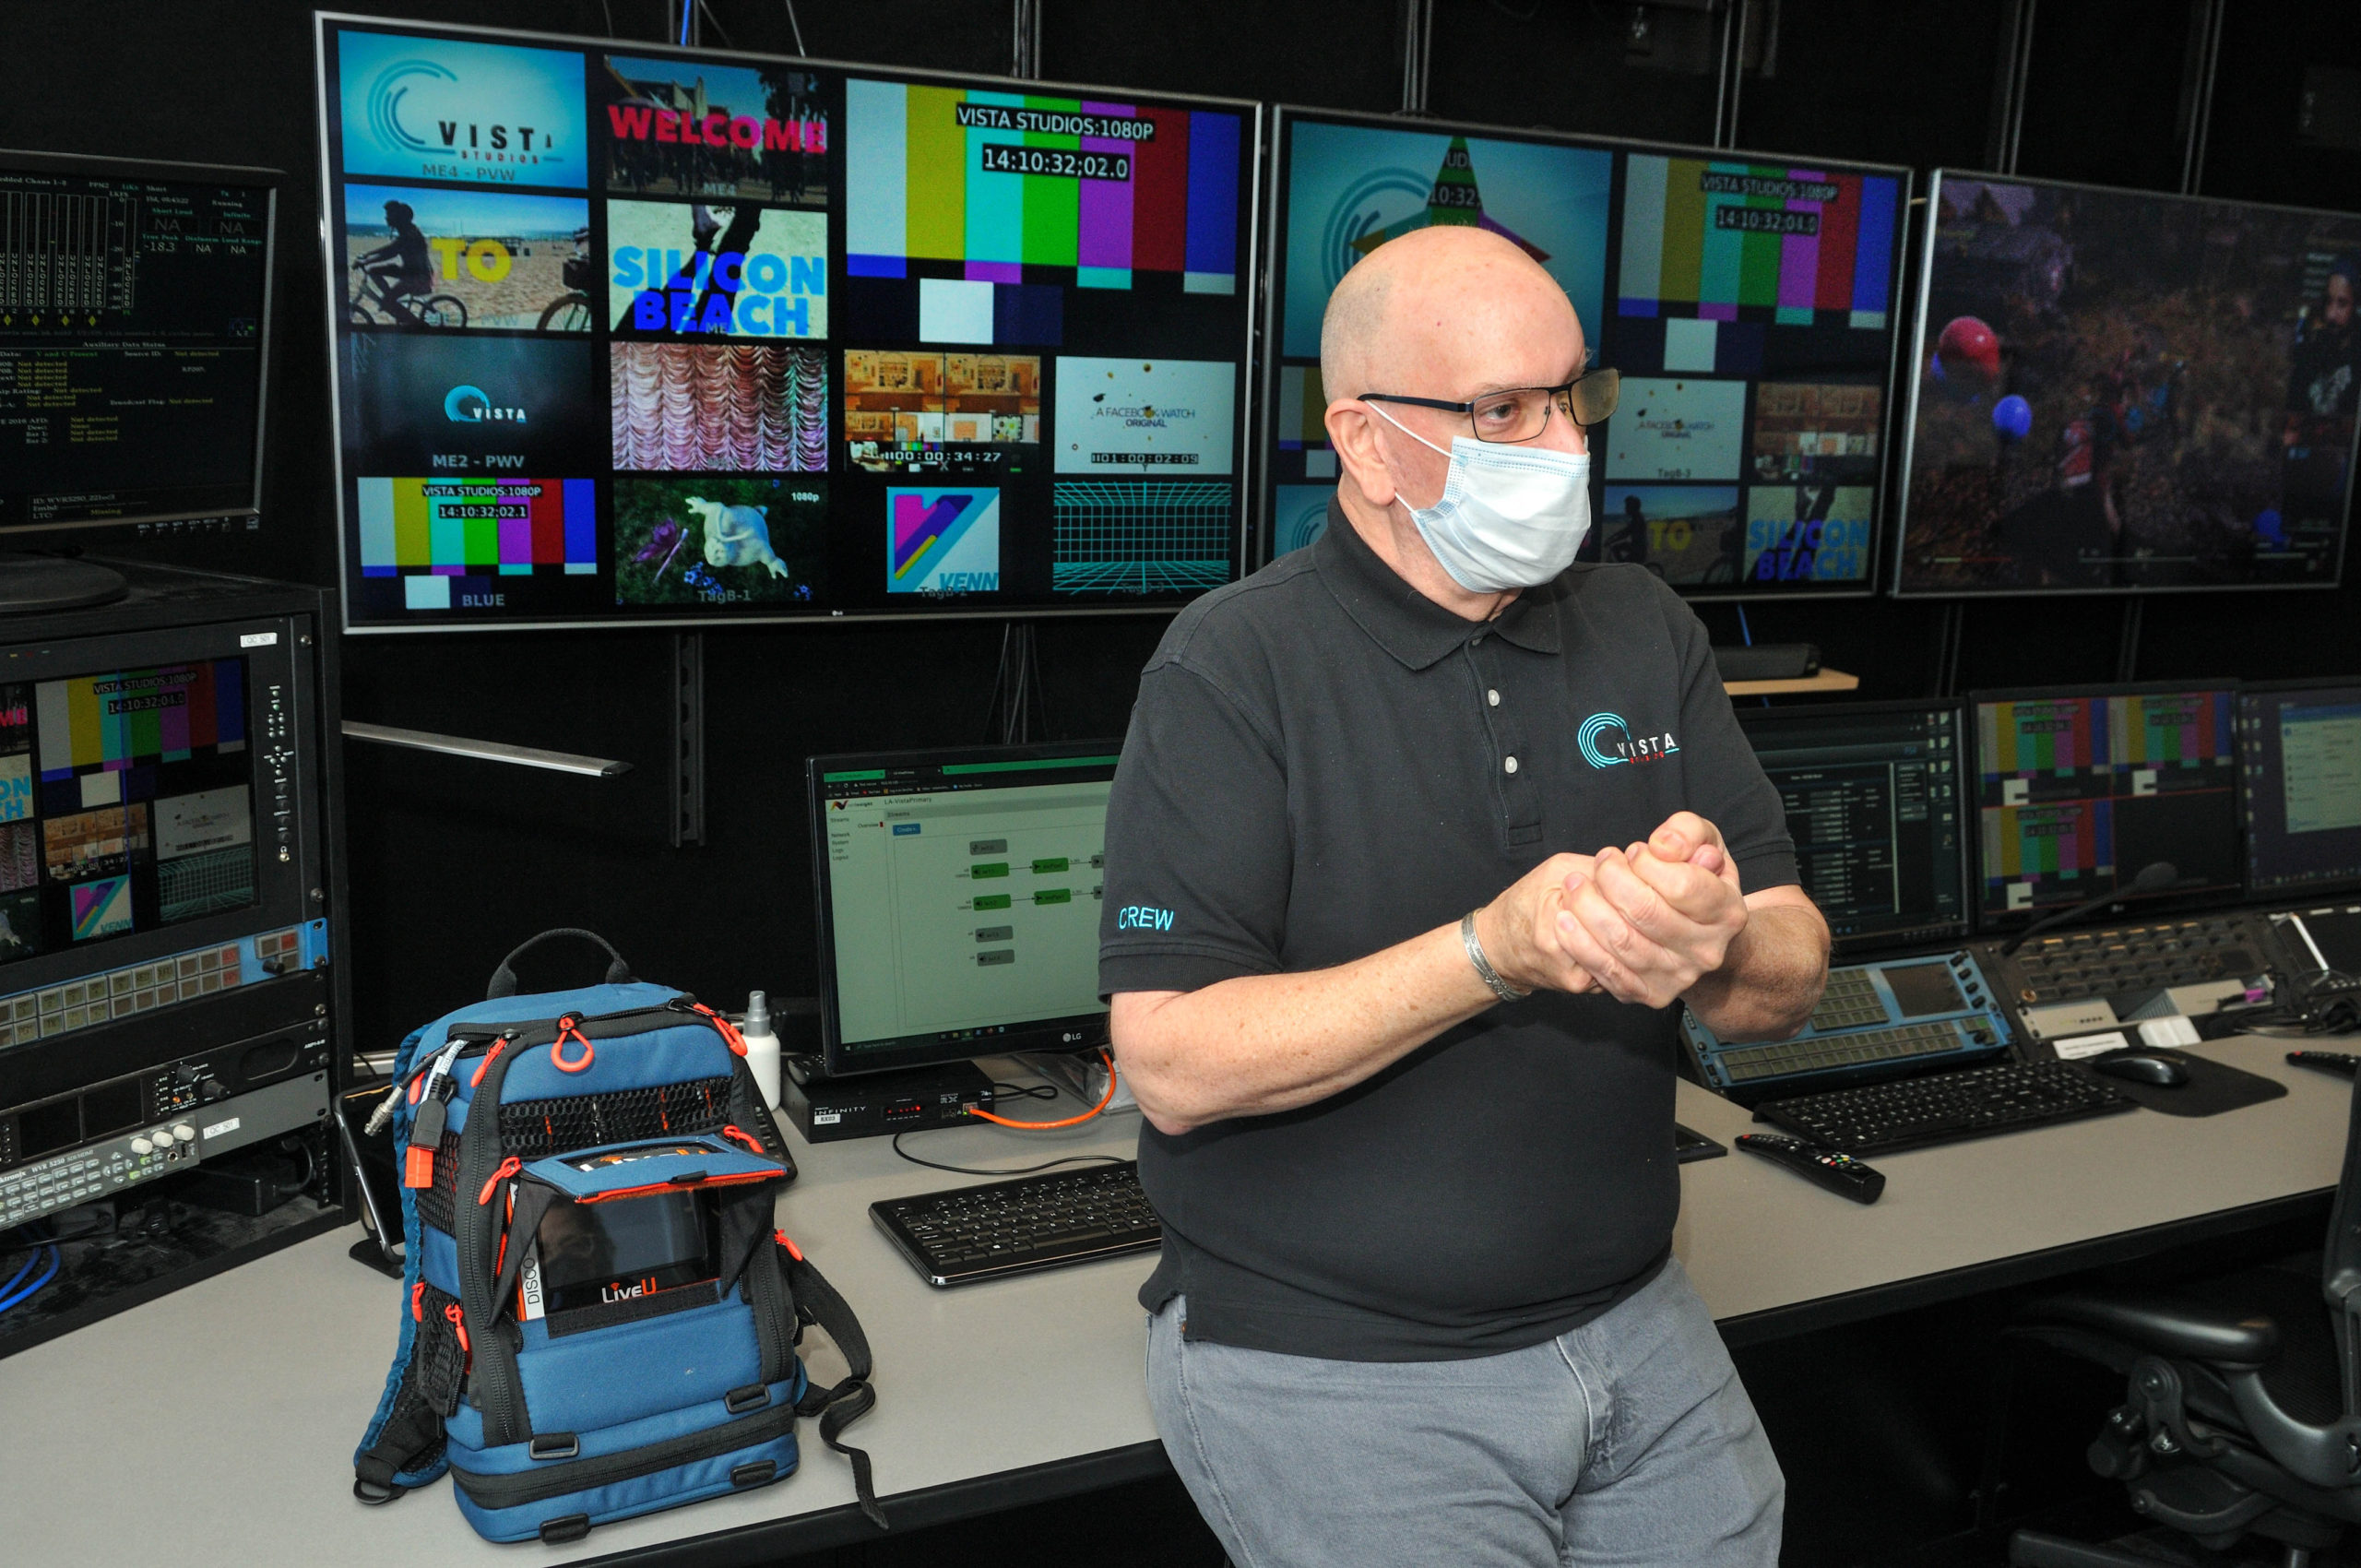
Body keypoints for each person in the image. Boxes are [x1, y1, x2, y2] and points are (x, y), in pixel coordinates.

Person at [1098, 224, 1830, 1568]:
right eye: (1501, 409)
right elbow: (1172, 1062)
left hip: (1641, 1322)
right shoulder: (1231, 666)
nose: (1561, 442)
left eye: (1572, 395)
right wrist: (1495, 948)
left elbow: (1789, 959)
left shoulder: (1644, 626)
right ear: (1366, 442)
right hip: (1335, 1366)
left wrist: (1709, 940)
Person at [355, 199, 433, 321]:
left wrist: (366, 261)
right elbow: (391, 248)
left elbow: (391, 252)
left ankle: (417, 324)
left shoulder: (409, 234)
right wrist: (367, 255)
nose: (386, 218)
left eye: (389, 215)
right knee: (373, 271)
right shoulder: (407, 230)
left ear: (398, 217)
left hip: (417, 276)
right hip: (409, 271)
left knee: (387, 302)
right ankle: (390, 299)